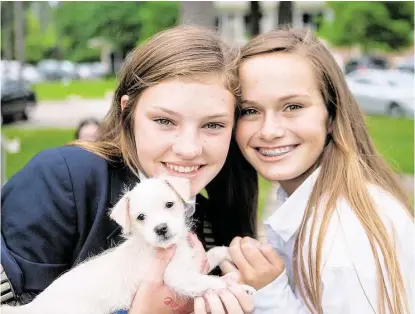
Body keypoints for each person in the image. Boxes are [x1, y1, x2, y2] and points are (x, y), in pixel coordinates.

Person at [1, 25, 258, 314]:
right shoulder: (62, 179)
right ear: (128, 110)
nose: (189, 148)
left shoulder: (216, 218)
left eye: (213, 125)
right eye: (164, 121)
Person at [220, 28, 413, 314]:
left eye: (293, 106)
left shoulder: (348, 235)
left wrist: (270, 293)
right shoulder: (300, 198)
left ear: (332, 115)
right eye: (250, 111)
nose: (270, 131)